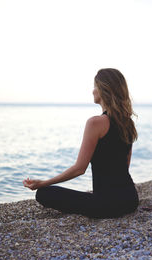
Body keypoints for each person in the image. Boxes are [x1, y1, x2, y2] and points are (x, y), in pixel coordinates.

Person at [23, 68, 139, 218]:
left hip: (107, 205)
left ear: (104, 89)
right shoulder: (128, 123)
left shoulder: (95, 123)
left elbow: (79, 169)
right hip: (131, 199)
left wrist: (43, 183)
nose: (93, 91)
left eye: (95, 86)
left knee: (44, 193)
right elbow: (125, 166)